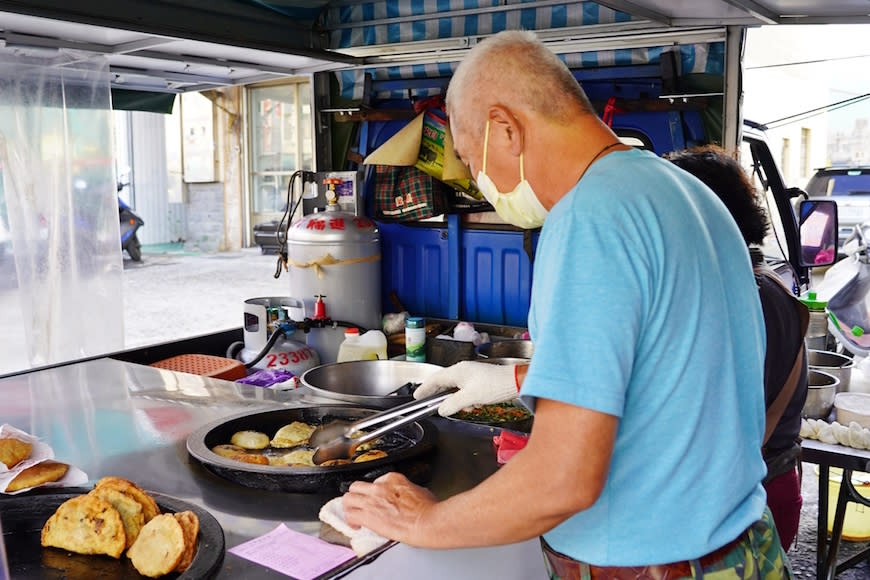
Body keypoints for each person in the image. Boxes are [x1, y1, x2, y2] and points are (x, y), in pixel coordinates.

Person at [341, 30, 792, 578]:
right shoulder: (688, 193)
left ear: (504, 129)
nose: (482, 186)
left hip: (653, 566)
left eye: (469, 158)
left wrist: (423, 521)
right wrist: (513, 383)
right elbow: (671, 369)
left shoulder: (588, 218)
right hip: (743, 549)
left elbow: (563, 480)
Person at [666, 145, 809, 552]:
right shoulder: (770, 288)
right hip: (771, 493)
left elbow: (710, 428)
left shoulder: (734, 299)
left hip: (737, 506)